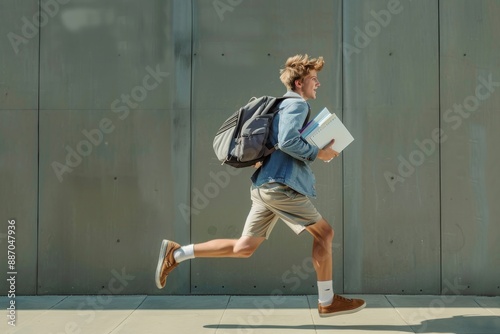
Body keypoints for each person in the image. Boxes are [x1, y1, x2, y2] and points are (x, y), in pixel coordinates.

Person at [155, 54, 366, 317]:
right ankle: (327, 301)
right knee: (325, 234)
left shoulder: (279, 107)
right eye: (314, 79)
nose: (318, 84)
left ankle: (176, 254)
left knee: (243, 248)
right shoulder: (296, 106)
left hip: (265, 187)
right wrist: (318, 153)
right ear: (299, 83)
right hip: (280, 187)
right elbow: (288, 142)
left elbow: (280, 144)